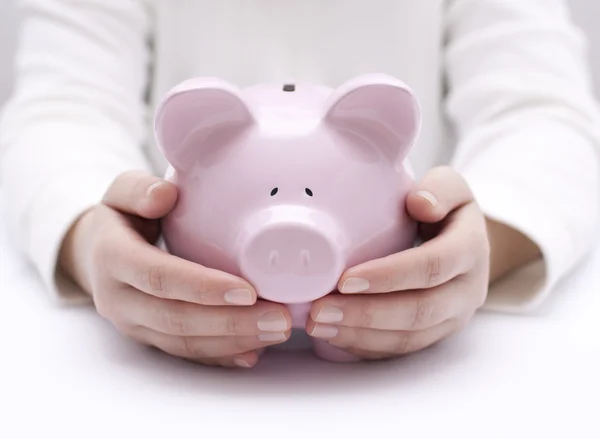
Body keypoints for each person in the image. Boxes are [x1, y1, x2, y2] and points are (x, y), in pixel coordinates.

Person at [1, 0, 599, 369]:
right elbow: (61, 107)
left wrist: (479, 245)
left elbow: (543, 112)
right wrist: (90, 240)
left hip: (405, 304)